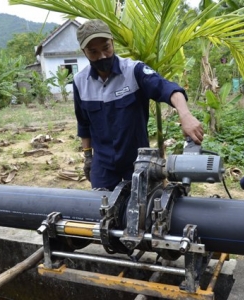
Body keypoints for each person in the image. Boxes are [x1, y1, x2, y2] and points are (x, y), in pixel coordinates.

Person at [73, 19, 204, 191]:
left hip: (138, 162)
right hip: (103, 165)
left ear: (112, 42)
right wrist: (88, 157)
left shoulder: (135, 71)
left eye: (106, 48)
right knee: (103, 211)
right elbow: (84, 124)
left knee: (145, 211)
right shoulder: (80, 82)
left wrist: (185, 115)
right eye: (93, 52)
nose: (102, 56)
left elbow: (168, 89)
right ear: (84, 52)